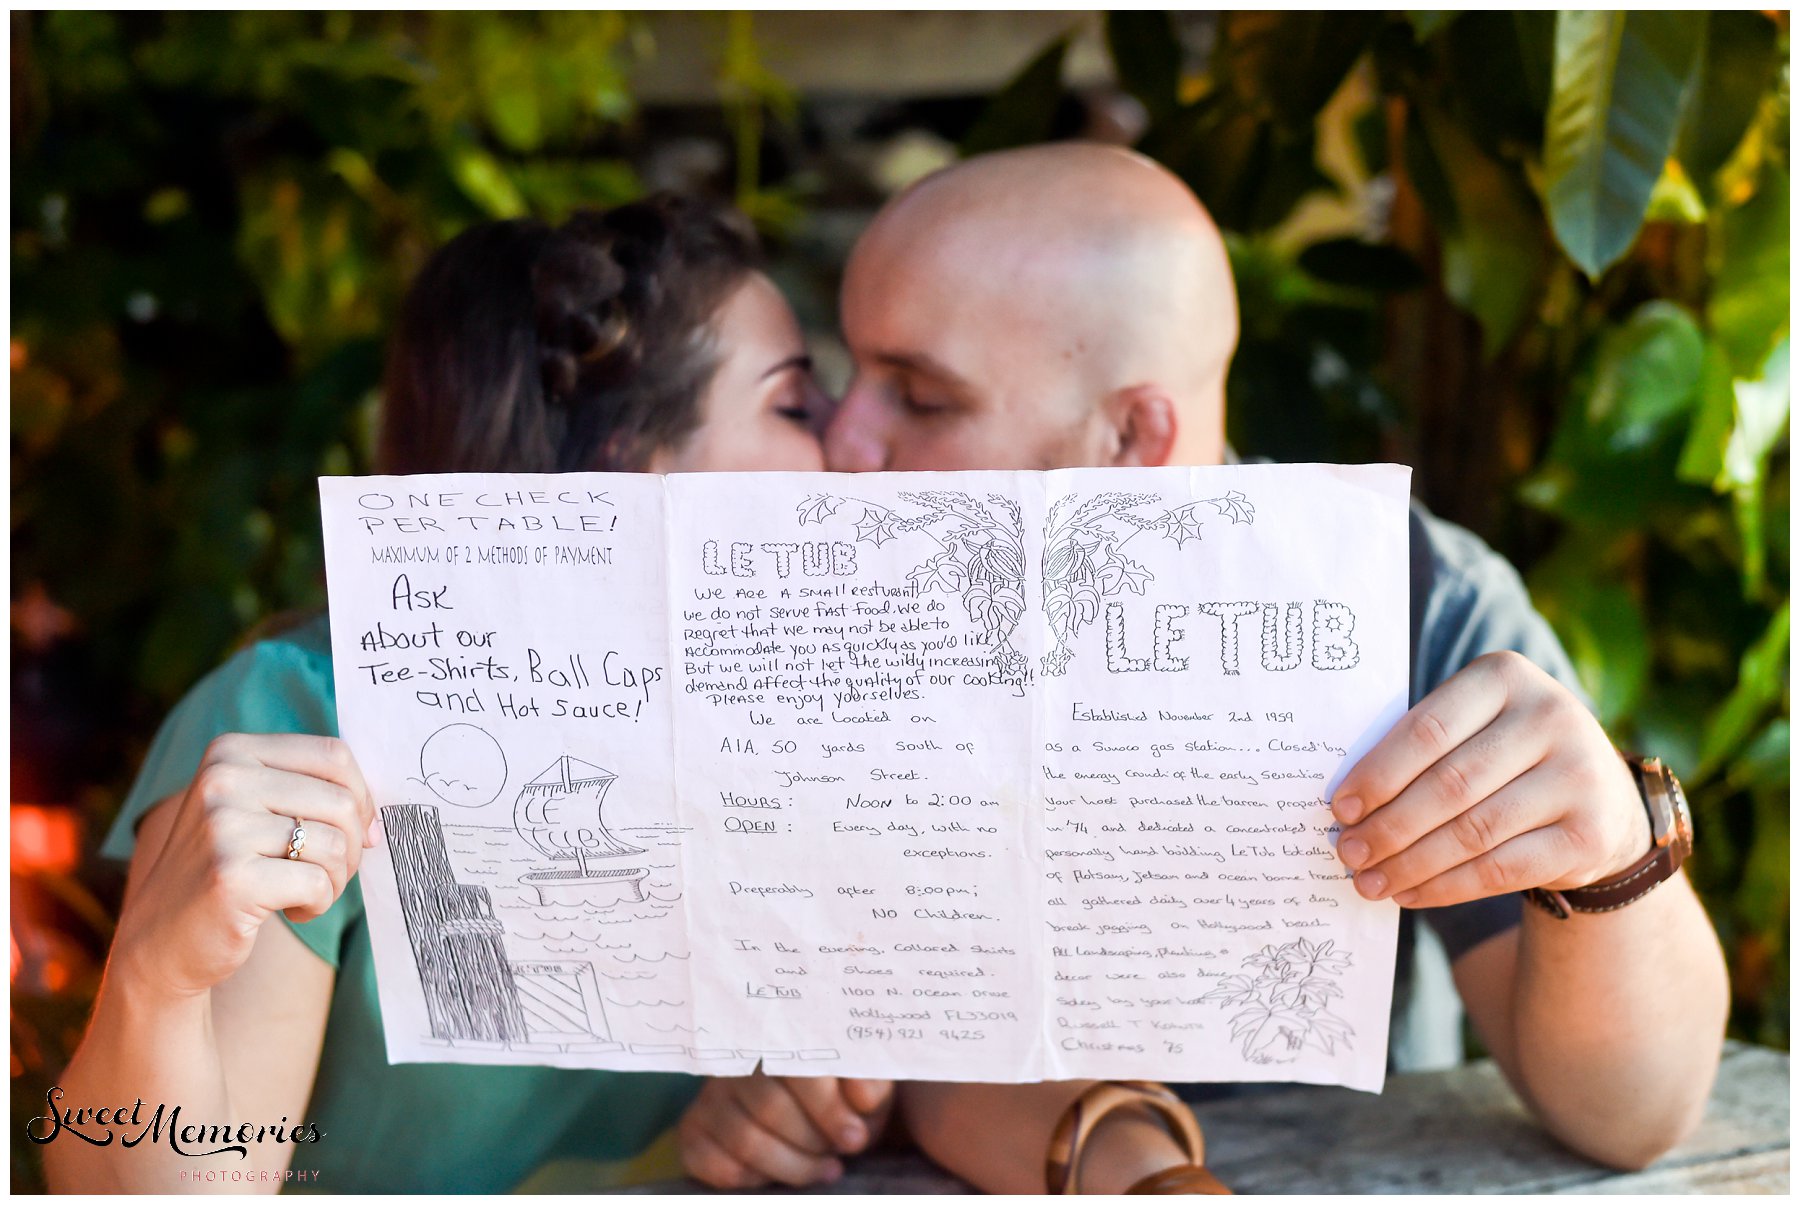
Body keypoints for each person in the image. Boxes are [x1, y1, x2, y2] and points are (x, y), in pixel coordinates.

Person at [675, 144, 1731, 1193]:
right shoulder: (824, 593)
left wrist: (1610, 854)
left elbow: (1633, 1113)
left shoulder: (1416, 602)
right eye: (852, 373)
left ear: (1135, 434)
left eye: (921, 396)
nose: (848, 440)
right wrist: (783, 1088)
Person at [51, 194, 839, 1193]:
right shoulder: (303, 721)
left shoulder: (795, 731)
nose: (850, 452)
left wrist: (762, 1101)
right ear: (628, 467)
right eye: (796, 405)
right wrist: (153, 986)